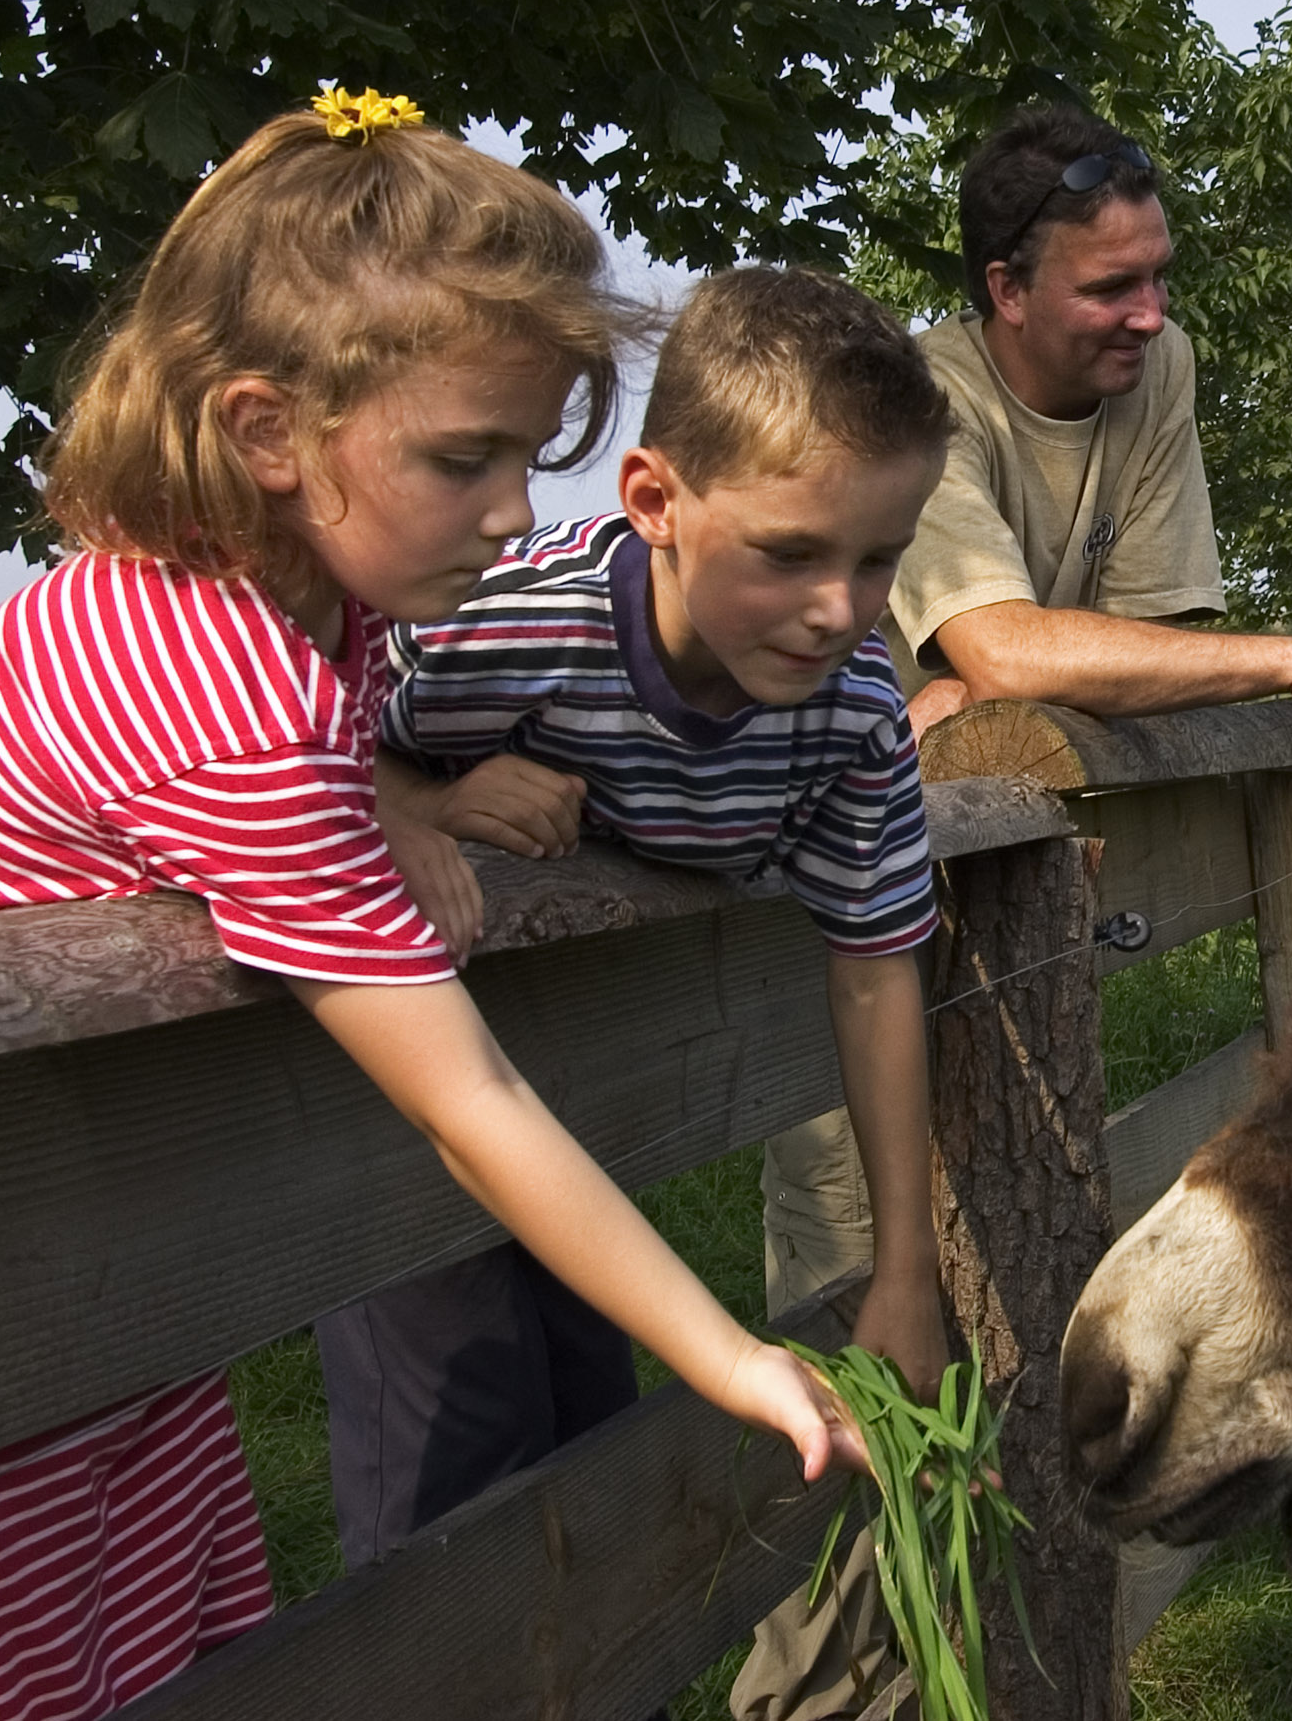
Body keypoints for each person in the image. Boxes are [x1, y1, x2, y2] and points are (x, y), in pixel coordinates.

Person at [0, 93, 863, 1721]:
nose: (514, 514)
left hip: (97, 1278)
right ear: (270, 432)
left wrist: (398, 800)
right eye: (464, 457)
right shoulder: (220, 687)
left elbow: (271, 780)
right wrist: (725, 1351)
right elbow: (465, 1101)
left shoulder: (252, 609)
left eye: (528, 456)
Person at [356, 268, 953, 1687]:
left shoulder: (857, 709)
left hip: (587, 1106)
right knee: (455, 1460)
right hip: (402, 1101)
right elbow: (291, 743)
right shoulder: (502, 623)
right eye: (794, 550)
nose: (837, 608)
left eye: (881, 561)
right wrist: (416, 805)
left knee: (593, 1442)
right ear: (654, 498)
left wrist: (908, 1265)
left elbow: (876, 968)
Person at [880, 103, 1292, 792]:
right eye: (1112, 287)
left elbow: (1142, 650)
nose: (1153, 316)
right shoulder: (919, 397)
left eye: (1159, 275)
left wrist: (980, 689)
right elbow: (1006, 653)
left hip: (1031, 778)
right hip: (872, 803)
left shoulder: (1159, 367)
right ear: (1008, 289)